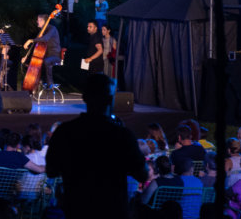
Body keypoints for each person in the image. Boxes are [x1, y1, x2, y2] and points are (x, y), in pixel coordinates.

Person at [46, 73, 148, 219]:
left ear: (84, 97)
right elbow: (142, 174)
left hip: (78, 209)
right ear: (110, 99)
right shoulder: (122, 135)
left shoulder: (65, 132)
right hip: (112, 210)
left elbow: (51, 171)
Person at [22, 13, 62, 86]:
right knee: (28, 63)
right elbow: (36, 48)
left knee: (46, 61)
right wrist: (26, 57)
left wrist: (31, 40)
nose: (37, 22)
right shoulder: (42, 31)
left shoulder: (52, 29)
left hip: (54, 55)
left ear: (43, 21)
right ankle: (34, 83)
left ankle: (50, 83)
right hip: (45, 55)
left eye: (38, 20)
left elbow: (45, 39)